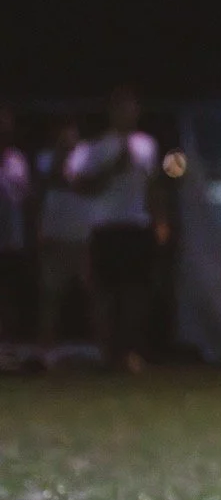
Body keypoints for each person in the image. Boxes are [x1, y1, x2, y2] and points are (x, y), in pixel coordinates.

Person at [65, 87, 168, 372]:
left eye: (132, 107)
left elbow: (153, 185)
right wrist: (112, 169)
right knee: (105, 293)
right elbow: (80, 186)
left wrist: (160, 219)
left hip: (136, 225)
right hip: (105, 226)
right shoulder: (95, 147)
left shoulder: (146, 145)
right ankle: (105, 352)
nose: (128, 113)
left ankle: (131, 351)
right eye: (122, 107)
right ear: (111, 112)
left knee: (135, 291)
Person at [35, 117, 94, 356]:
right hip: (54, 236)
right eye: (63, 136)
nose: (68, 139)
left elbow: (85, 185)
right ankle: (46, 347)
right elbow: (52, 180)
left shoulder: (88, 157)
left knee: (92, 293)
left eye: (71, 135)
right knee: (50, 294)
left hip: (83, 236)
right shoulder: (45, 158)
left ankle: (103, 347)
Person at [0, 105, 31, 346]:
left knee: (8, 295)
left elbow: (25, 197)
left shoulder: (17, 160)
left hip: (11, 240)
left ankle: (7, 347)